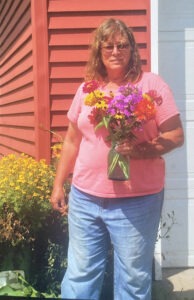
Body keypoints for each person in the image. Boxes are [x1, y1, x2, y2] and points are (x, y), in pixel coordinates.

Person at [50, 18, 184, 300]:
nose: (115, 51)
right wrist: (59, 184)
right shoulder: (88, 90)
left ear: (132, 49)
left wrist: (139, 150)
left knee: (133, 280)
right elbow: (73, 140)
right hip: (85, 199)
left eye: (122, 45)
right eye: (108, 45)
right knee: (80, 274)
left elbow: (175, 135)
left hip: (136, 202)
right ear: (98, 51)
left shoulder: (152, 86)